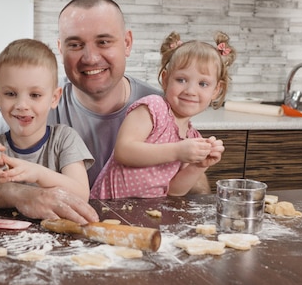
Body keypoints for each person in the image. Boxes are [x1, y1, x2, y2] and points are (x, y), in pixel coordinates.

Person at [0, 0, 209, 223]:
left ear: (127, 43)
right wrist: (24, 194)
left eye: (104, 42)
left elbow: (194, 186)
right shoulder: (30, 108)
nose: (91, 57)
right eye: (75, 45)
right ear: (61, 49)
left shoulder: (158, 107)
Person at [90, 31, 236, 199]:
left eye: (203, 84)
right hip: (108, 207)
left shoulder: (192, 137)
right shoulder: (153, 107)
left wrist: (199, 166)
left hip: (148, 213)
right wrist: (176, 151)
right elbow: (124, 151)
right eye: (181, 80)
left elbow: (174, 190)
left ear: (216, 91)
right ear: (166, 79)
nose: (190, 91)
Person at [0, 38, 93, 202]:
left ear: (54, 98)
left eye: (35, 95)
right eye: (10, 94)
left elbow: (81, 194)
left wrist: (38, 173)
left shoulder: (64, 139)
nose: (22, 105)